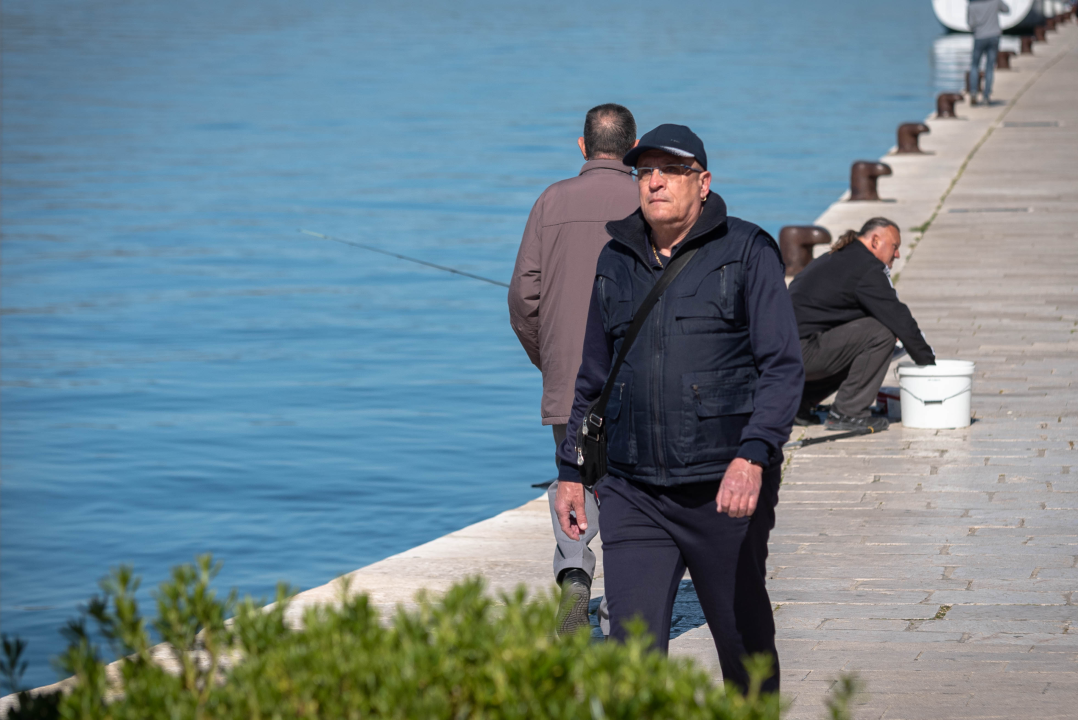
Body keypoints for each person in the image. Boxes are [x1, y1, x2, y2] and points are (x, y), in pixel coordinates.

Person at [554, 124, 803, 694]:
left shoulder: (747, 251)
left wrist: (754, 454)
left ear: (704, 183)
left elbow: (782, 367)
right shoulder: (614, 259)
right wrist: (571, 471)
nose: (655, 182)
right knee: (632, 661)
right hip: (634, 493)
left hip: (724, 491)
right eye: (645, 172)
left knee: (745, 648)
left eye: (671, 171)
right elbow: (592, 376)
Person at [508, 103, 639, 635]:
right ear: (633, 149)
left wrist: (551, 359)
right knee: (630, 485)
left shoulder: (551, 200)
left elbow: (523, 297)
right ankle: (625, 601)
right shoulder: (649, 198)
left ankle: (574, 576)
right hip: (637, 372)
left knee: (575, 474)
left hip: (569, 373)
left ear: (582, 146)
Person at [788, 217, 935, 432]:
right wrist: (929, 365)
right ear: (875, 241)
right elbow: (899, 318)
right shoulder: (866, 267)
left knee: (865, 337)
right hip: (799, 352)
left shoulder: (841, 257)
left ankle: (797, 405)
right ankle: (848, 413)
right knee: (882, 333)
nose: (897, 254)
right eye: (895, 247)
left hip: (784, 351)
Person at [968, 0, 1010, 105]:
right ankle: (986, 96)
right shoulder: (995, 1)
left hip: (979, 37)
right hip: (994, 36)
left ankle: (973, 92)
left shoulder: (972, 5)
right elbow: (1006, 9)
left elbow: (970, 24)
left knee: (974, 66)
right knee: (989, 67)